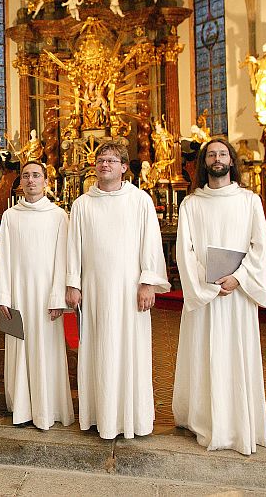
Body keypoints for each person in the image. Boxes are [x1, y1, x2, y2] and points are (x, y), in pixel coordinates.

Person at [173, 138, 266, 456]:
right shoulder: (191, 204)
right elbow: (184, 251)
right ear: (204, 163)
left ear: (232, 161)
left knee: (234, 353)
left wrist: (239, 277)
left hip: (237, 295)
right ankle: (204, 419)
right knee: (204, 353)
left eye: (222, 153)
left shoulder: (249, 200)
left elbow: (260, 245)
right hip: (206, 293)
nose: (217, 158)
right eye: (211, 154)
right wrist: (208, 282)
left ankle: (237, 423)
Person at [66, 141, 170, 439]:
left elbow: (150, 242)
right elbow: (75, 248)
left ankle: (131, 418)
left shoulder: (140, 201)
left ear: (124, 167)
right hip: (95, 292)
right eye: (100, 159)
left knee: (129, 350)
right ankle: (101, 416)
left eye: (111, 160)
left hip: (130, 291)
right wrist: (73, 283)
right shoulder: (82, 204)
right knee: (98, 350)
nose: (105, 164)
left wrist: (148, 282)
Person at [0, 160, 75, 430]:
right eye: (26, 176)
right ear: (20, 183)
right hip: (17, 293)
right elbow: (3, 256)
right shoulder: (10, 216)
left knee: (46, 350)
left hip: (45, 297)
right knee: (19, 347)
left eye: (36, 176)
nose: (31, 180)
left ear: (46, 182)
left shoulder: (58, 216)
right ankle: (22, 407)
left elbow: (62, 259)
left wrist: (57, 299)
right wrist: (3, 295)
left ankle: (47, 408)